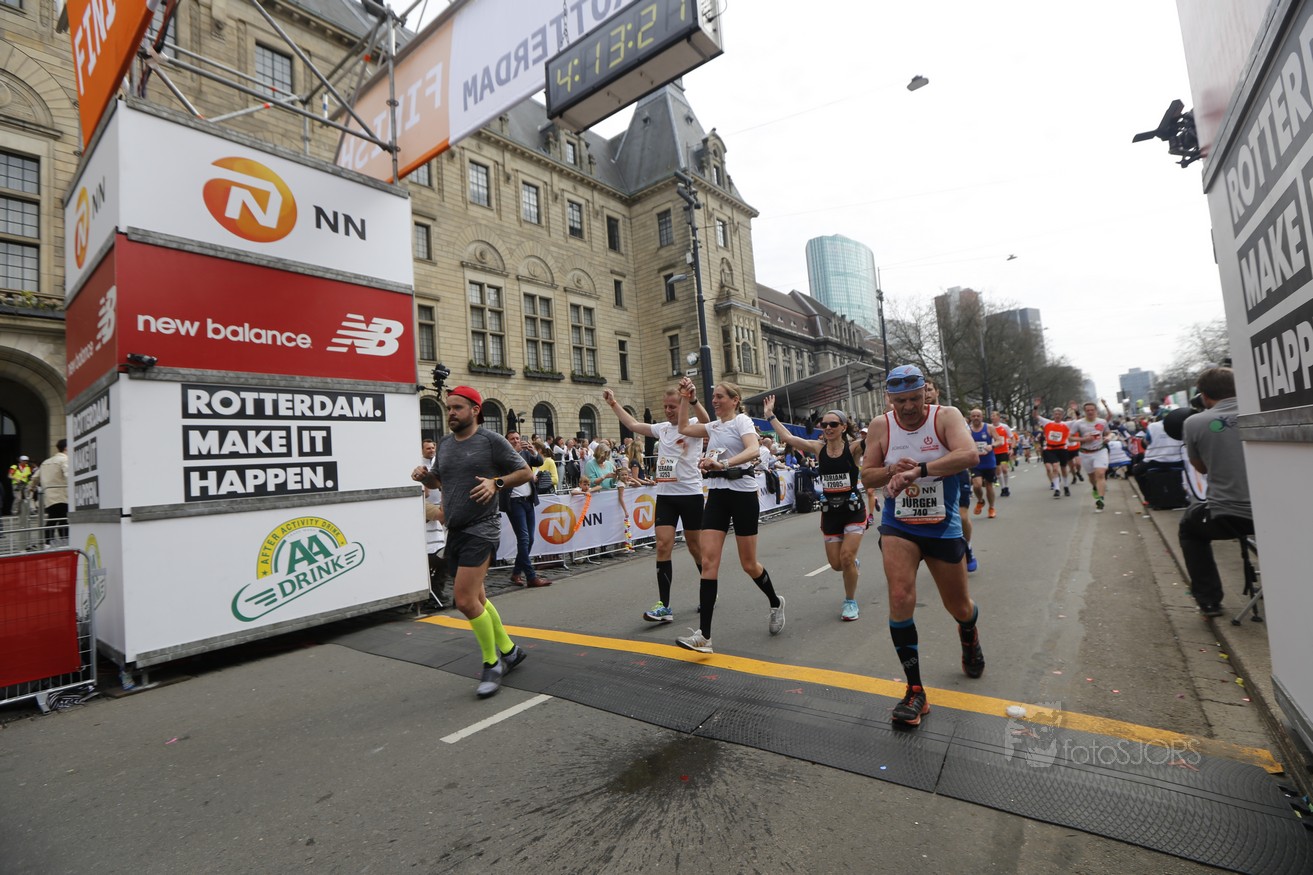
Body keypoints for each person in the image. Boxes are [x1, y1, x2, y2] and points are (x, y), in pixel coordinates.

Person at [861, 365, 984, 727]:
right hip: (899, 524)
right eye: (900, 401)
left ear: (924, 394)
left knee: (959, 606)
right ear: (889, 399)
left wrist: (920, 470)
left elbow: (969, 455)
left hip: (941, 525)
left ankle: (968, 633)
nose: (909, 407)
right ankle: (915, 690)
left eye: (915, 398)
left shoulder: (945, 417)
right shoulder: (882, 425)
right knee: (900, 596)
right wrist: (890, 471)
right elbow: (866, 475)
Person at [412, 386, 532, 699]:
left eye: (457, 407)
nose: (450, 413)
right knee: (478, 596)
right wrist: (425, 476)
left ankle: (492, 663)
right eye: (449, 407)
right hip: (455, 528)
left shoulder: (491, 441)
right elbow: (439, 480)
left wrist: (497, 482)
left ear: (475, 410)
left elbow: (526, 472)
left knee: (464, 601)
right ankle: (510, 650)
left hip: (483, 527)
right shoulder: (445, 443)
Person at [674, 378, 785, 654]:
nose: (715, 400)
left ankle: (775, 601)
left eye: (720, 396)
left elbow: (752, 449)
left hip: (743, 494)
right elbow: (684, 427)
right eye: (713, 396)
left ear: (735, 400)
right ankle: (704, 636)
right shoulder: (713, 426)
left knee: (749, 564)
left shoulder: (741, 421)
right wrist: (686, 398)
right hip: (717, 495)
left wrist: (721, 463)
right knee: (708, 562)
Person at [603, 386, 708, 623]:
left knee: (695, 548)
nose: (669, 411)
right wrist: (613, 404)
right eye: (666, 407)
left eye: (673, 407)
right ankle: (664, 606)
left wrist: (693, 400)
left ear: (682, 405)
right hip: (665, 495)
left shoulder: (692, 424)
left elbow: (707, 421)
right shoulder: (662, 429)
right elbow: (632, 425)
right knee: (662, 545)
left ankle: (708, 590)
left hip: (690, 494)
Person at [764, 396, 866, 621]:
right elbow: (788, 437)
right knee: (837, 564)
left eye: (833, 424)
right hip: (831, 513)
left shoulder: (853, 448)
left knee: (846, 557)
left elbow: (879, 437)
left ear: (843, 427)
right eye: (824, 424)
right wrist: (770, 415)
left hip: (853, 509)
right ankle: (851, 565)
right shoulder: (818, 448)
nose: (827, 428)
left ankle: (850, 602)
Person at [1178, 368, 1252, 618]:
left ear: (1204, 396)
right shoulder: (1263, 411)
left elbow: (1201, 468)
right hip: (1280, 512)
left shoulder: (1194, 422)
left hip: (1230, 516)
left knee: (1189, 528)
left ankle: (1209, 600)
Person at [925, 380, 977, 571]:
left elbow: (967, 448)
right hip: (929, 477)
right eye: (922, 391)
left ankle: (967, 547)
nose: (926, 394)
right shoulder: (914, 420)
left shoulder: (952, 415)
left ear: (937, 392)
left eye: (929, 389)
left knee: (961, 517)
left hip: (955, 473)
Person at [503, 431, 551, 588]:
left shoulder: (525, 453)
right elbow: (507, 469)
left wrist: (533, 451)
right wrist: (516, 452)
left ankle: (516, 572)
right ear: (507, 441)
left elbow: (539, 461)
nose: (516, 441)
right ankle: (531, 576)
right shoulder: (504, 455)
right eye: (512, 439)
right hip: (514, 502)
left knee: (530, 539)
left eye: (518, 438)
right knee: (523, 539)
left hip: (528, 500)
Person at [1072, 399, 1114, 511]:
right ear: (1085, 411)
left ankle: (1100, 500)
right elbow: (1070, 437)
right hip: (1085, 453)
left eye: (1092, 410)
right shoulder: (1078, 423)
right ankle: (1095, 487)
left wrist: (1108, 438)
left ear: (1096, 411)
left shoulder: (1102, 422)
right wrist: (1083, 439)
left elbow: (1108, 433)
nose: (1090, 412)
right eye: (1088, 410)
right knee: (1091, 476)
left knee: (1100, 474)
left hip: (1100, 451)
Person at [31, 441, 69, 544]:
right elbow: (68, 475)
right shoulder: (65, 460)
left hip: (49, 497)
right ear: (66, 448)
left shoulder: (45, 462)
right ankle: (65, 542)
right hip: (63, 495)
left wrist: (31, 489)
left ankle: (48, 542)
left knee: (53, 519)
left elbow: (35, 478)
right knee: (64, 520)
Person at [1034, 405, 1072, 498]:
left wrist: (1076, 412)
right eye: (1056, 414)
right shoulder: (1047, 423)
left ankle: (1066, 486)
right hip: (1050, 449)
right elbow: (1035, 415)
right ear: (1053, 415)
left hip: (1062, 448)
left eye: (1059, 414)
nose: (1057, 415)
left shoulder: (1066, 424)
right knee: (1055, 468)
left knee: (1063, 469)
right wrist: (1035, 407)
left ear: (1062, 415)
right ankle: (1057, 489)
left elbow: (1079, 421)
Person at [968, 409, 1000, 519]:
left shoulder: (989, 427)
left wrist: (992, 446)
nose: (976, 418)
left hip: (989, 462)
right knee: (977, 485)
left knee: (989, 485)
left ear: (982, 417)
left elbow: (999, 440)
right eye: (973, 416)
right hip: (975, 462)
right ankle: (980, 500)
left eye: (978, 416)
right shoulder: (967, 430)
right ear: (971, 417)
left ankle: (991, 508)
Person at [990, 411, 1014, 497]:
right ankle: (1003, 488)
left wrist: (1012, 448)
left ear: (998, 417)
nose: (992, 417)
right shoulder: (990, 427)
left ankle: (1006, 486)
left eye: (994, 416)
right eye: (991, 416)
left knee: (1004, 469)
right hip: (994, 452)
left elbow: (1012, 438)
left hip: (1004, 451)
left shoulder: (1004, 427)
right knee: (998, 471)